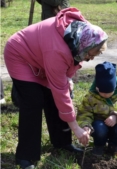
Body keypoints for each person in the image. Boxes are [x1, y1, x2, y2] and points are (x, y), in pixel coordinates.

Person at [4, 7, 108, 169]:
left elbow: (67, 69)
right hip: (20, 55)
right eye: (90, 55)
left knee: (53, 96)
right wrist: (76, 128)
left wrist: (67, 78)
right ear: (84, 46)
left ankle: (62, 142)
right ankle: (25, 156)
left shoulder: (83, 33)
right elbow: (60, 91)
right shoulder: (58, 50)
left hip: (42, 55)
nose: (89, 59)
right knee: (34, 102)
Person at [76, 61, 117, 157]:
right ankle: (99, 146)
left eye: (110, 92)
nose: (106, 95)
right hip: (99, 125)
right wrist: (86, 126)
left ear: (115, 87)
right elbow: (84, 113)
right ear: (97, 88)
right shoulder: (91, 96)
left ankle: (114, 146)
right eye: (102, 93)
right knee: (99, 129)